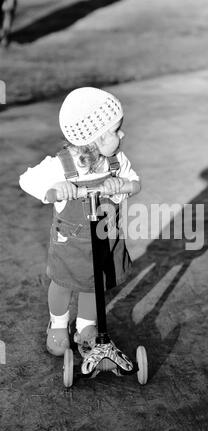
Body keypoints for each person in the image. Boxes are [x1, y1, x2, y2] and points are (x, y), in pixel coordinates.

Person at [19, 87, 141, 357]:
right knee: (63, 284)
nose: (123, 134)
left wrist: (123, 184)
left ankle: (86, 326)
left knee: (94, 285)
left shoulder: (116, 161)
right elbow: (26, 180)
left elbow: (135, 183)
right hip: (70, 245)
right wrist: (57, 188)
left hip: (105, 238)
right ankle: (58, 324)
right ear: (95, 138)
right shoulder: (62, 165)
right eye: (116, 130)